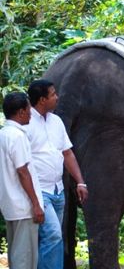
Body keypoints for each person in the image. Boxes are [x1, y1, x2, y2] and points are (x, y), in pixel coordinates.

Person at [26, 79, 89, 269]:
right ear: (42, 100)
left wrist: (80, 182)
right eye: (53, 94)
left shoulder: (56, 121)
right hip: (39, 190)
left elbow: (67, 153)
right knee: (53, 235)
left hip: (57, 189)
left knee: (51, 238)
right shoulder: (26, 123)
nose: (57, 97)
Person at [0, 92, 44, 269]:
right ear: (20, 112)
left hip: (10, 205)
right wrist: (35, 204)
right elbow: (23, 171)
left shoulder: (3, 134)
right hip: (23, 206)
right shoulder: (17, 136)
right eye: (28, 109)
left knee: (16, 255)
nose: (31, 113)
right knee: (24, 259)